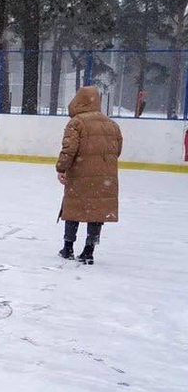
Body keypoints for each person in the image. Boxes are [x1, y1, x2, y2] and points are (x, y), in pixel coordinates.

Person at [56, 86, 122, 265]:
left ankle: (68, 247)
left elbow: (69, 150)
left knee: (73, 207)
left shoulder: (77, 123)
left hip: (79, 173)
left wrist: (61, 168)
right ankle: (88, 251)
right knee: (97, 212)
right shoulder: (112, 124)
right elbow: (118, 150)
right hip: (104, 176)